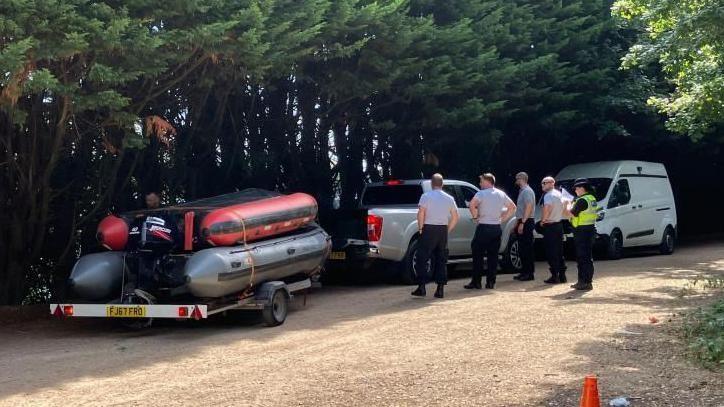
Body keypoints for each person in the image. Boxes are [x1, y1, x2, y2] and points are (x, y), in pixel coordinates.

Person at [411, 173, 459, 298]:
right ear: (442, 184)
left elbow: (421, 213)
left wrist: (421, 228)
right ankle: (440, 289)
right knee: (441, 259)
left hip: (428, 228)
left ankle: (421, 287)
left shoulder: (426, 196)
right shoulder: (449, 198)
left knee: (422, 258)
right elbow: (455, 217)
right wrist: (448, 229)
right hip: (442, 229)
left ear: (432, 184)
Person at [465, 173, 516, 290]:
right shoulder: (501, 194)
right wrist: (502, 219)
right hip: (496, 228)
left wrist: (475, 217)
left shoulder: (481, 194)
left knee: (477, 254)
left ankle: (476, 282)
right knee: (493, 257)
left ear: (487, 181)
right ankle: (490, 282)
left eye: (481, 181)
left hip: (483, 227)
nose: (480, 183)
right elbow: (513, 207)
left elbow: (472, 205)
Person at [566, 178, 599, 291]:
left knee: (582, 257)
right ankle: (585, 281)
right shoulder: (591, 198)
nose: (575, 190)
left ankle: (584, 282)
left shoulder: (582, 200)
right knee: (587, 257)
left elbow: (572, 213)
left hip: (582, 231)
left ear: (582, 188)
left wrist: (567, 205)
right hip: (590, 229)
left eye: (576, 188)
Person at [540, 177, 566, 284]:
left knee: (551, 251)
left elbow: (547, 208)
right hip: (559, 225)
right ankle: (562, 275)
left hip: (550, 225)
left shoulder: (548, 195)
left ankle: (555, 275)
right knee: (560, 251)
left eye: (544, 183)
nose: (542, 185)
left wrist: (543, 220)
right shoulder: (560, 194)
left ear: (551, 183)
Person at [513, 172, 536, 281]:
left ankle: (529, 273)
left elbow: (529, 206)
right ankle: (524, 271)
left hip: (526, 221)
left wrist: (522, 222)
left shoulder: (527, 191)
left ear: (522, 179)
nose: (516, 180)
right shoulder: (522, 191)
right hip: (523, 220)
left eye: (517, 178)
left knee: (526, 248)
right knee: (522, 248)